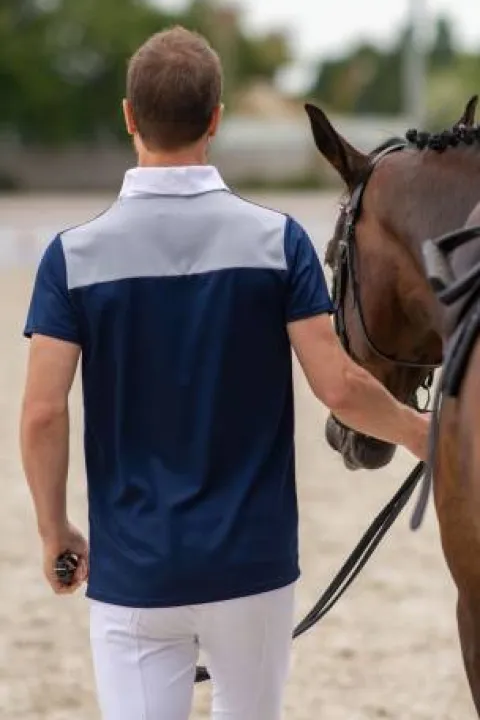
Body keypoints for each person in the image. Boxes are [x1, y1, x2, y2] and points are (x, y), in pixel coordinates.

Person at [20, 26, 430, 720]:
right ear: (215, 119)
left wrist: (53, 530)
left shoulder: (73, 257)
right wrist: (424, 434)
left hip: (136, 571)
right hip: (252, 565)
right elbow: (339, 386)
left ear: (128, 117)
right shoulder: (278, 242)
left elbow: (41, 413)